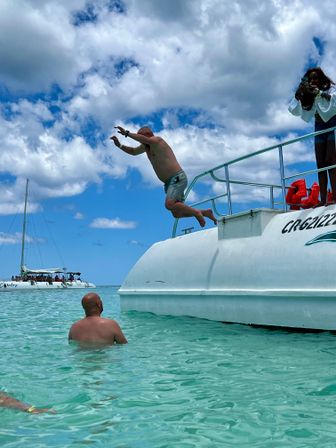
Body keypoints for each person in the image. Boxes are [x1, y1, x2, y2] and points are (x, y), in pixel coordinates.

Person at [110, 126, 217, 227]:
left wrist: (127, 133)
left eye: (141, 138)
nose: (140, 141)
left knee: (169, 204)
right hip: (168, 183)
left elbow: (146, 140)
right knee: (177, 214)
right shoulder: (146, 147)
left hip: (177, 178)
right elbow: (133, 152)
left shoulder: (157, 141)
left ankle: (197, 213)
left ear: (147, 136)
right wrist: (119, 145)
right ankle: (205, 213)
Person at [289, 67, 336, 206]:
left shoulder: (329, 90)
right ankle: (323, 199)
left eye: (315, 78)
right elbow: (295, 110)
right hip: (319, 129)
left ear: (320, 78)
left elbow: (333, 101)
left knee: (331, 162)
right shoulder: (309, 94)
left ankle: (334, 196)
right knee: (320, 164)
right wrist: (299, 94)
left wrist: (319, 93)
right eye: (311, 79)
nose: (313, 81)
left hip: (331, 126)